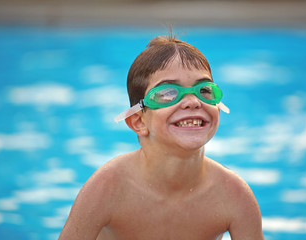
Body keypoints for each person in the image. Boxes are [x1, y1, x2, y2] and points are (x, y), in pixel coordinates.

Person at [59, 34, 264, 240]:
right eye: (168, 93)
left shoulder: (234, 195)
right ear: (138, 122)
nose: (192, 101)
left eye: (204, 90)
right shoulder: (108, 187)